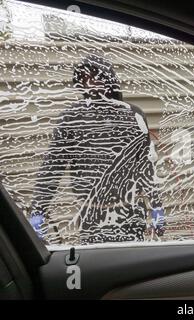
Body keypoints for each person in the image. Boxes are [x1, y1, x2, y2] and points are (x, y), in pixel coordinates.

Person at [29, 55, 165, 244]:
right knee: (99, 265)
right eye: (86, 79)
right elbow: (53, 167)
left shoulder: (133, 115)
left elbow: (145, 164)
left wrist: (156, 204)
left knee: (135, 265)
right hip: (92, 214)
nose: (93, 84)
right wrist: (38, 210)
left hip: (131, 210)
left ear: (110, 80)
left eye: (98, 77)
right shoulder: (72, 118)